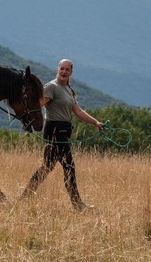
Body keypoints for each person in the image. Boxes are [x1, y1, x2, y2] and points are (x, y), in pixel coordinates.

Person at [21, 59, 104, 210]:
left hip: (64, 130)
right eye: (62, 69)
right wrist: (27, 119)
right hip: (54, 130)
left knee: (46, 167)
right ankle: (78, 204)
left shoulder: (69, 90)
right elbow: (37, 105)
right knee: (69, 166)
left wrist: (95, 122)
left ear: (71, 72)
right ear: (57, 69)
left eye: (67, 69)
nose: (64, 71)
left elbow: (78, 112)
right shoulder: (51, 87)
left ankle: (24, 197)